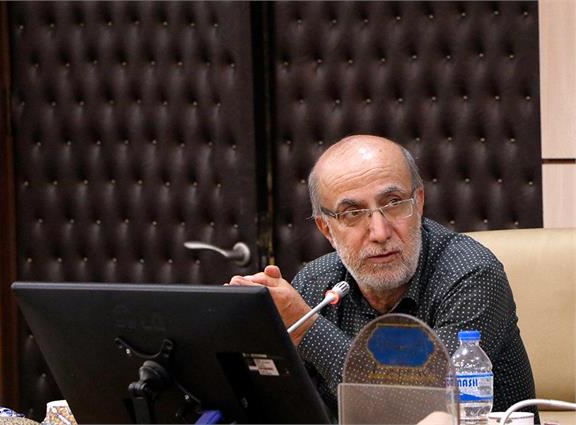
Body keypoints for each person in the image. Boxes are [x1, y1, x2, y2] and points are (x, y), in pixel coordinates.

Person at [228, 135, 537, 418]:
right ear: (326, 229)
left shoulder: (471, 274)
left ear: (419, 203)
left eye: (393, 203)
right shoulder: (315, 283)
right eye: (352, 213)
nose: (379, 232)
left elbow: (424, 407)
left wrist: (307, 330)